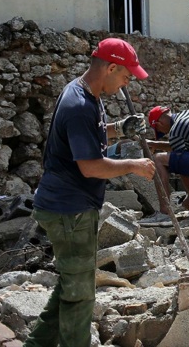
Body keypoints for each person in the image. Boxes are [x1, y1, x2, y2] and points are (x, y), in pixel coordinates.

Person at [24, 38, 156, 347]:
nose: (128, 82)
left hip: (66, 205)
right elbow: (91, 166)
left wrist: (120, 128)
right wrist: (133, 165)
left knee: (71, 284)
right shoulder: (80, 105)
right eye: (126, 76)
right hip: (69, 210)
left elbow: (92, 131)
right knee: (80, 296)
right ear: (110, 67)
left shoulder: (86, 93)